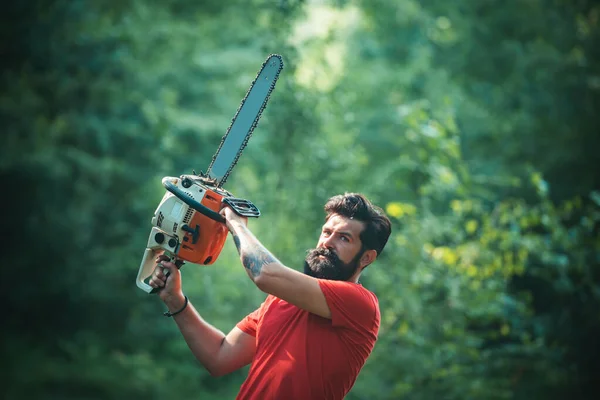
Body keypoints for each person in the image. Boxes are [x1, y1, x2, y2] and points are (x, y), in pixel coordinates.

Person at [149, 193, 392, 400]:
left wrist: (237, 225)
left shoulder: (361, 304)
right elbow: (219, 357)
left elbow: (264, 273)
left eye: (343, 238)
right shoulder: (281, 298)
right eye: (326, 232)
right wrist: (176, 300)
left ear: (366, 257)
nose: (327, 242)